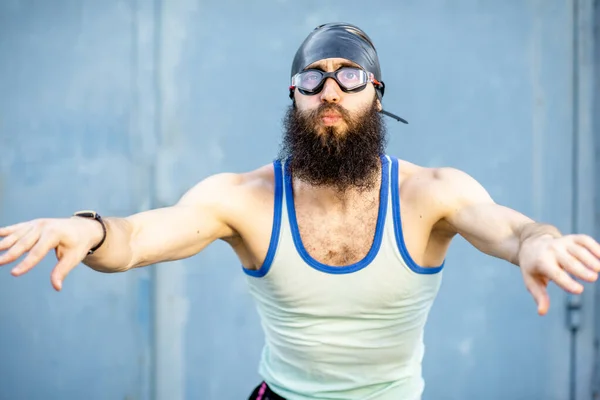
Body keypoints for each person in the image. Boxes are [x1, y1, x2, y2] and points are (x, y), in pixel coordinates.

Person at [1, 22, 599, 400]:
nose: (330, 90)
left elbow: (514, 229)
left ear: (378, 95)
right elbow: (134, 239)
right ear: (293, 97)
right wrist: (88, 228)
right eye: (312, 78)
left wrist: (540, 243)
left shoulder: (429, 193)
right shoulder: (243, 199)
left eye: (351, 76)